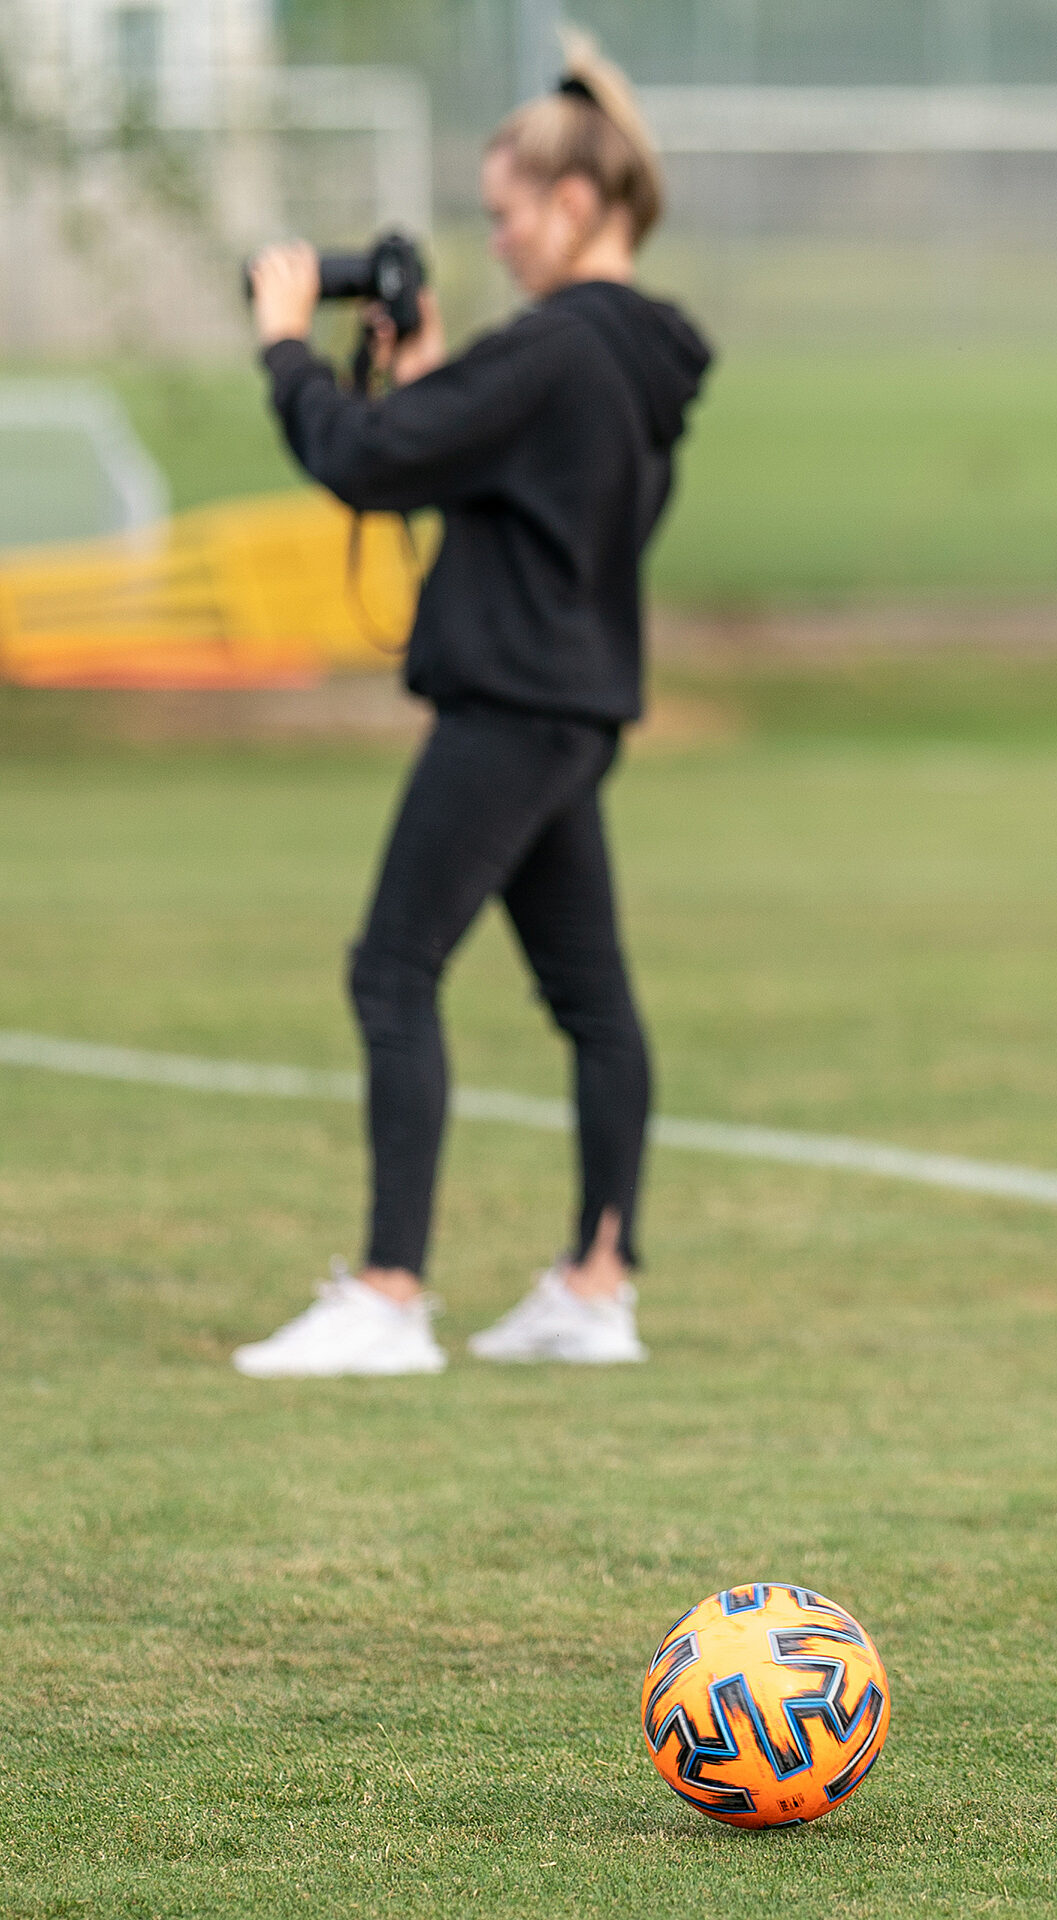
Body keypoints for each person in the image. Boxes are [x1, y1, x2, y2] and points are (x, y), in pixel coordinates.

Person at [230, 32, 711, 1380]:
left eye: (506, 214)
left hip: (509, 704)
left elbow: (363, 455)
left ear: (575, 202)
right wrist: (440, 371)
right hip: (575, 706)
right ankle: (594, 1287)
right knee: (593, 1005)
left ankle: (388, 1294)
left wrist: (286, 345)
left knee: (394, 969)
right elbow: (503, 478)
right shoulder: (635, 359)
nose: (495, 241)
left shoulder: (560, 347)